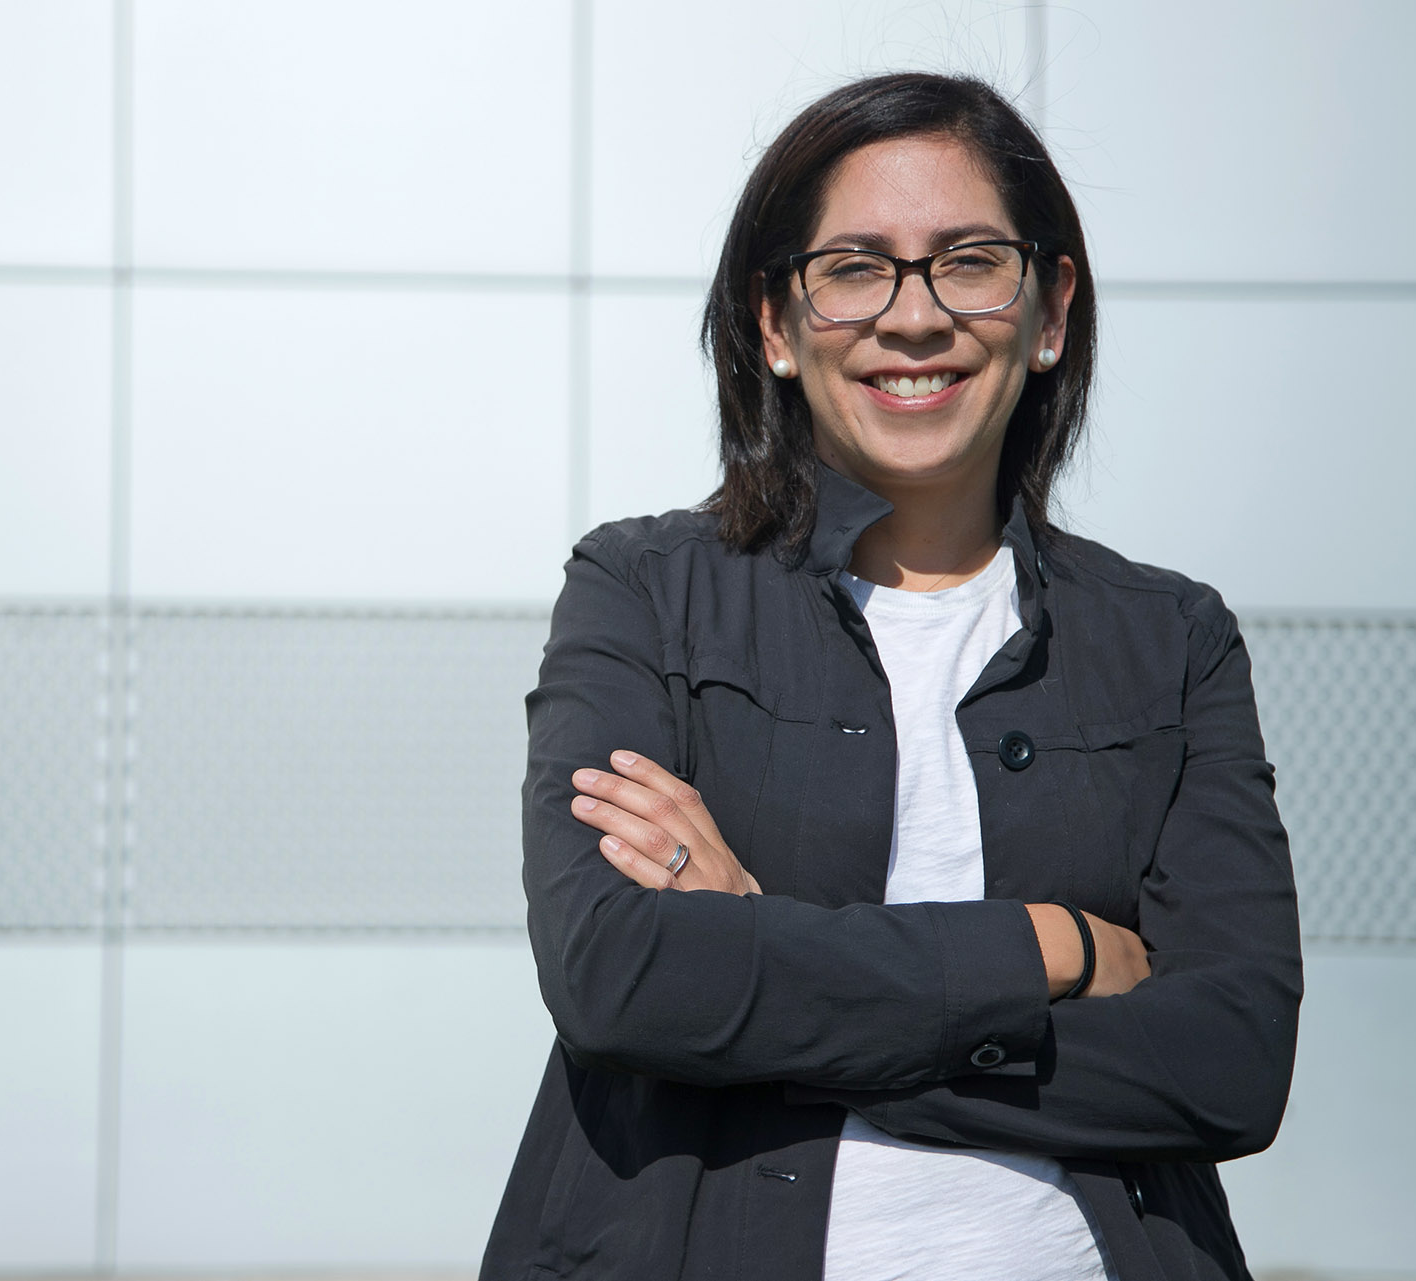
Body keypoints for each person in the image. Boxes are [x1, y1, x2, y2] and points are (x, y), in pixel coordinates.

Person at [482, 72, 1300, 1281]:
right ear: (775, 321)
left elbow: (1230, 1063)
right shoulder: (645, 592)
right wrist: (1047, 949)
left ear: (1050, 310)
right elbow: (621, 977)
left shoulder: (1169, 639)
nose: (914, 317)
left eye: (968, 261)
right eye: (855, 267)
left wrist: (766, 958)